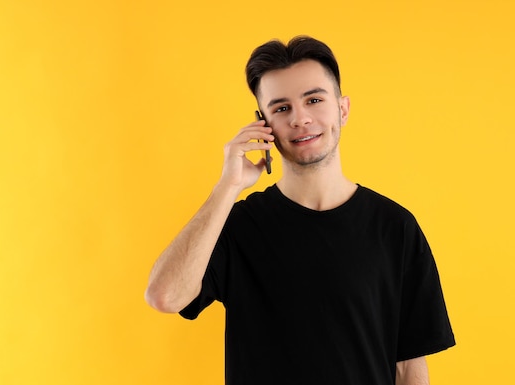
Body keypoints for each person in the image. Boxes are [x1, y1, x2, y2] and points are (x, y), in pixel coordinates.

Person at [145, 36, 455, 385]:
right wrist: (227, 186)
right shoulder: (237, 226)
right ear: (263, 125)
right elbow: (164, 296)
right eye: (281, 108)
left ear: (343, 108)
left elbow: (409, 366)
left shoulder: (395, 227)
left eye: (314, 100)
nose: (300, 119)